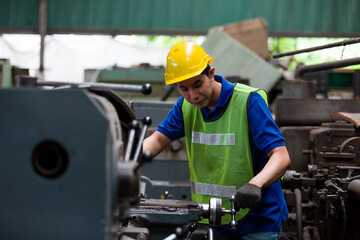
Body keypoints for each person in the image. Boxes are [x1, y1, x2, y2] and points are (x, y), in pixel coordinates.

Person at [143, 41, 291, 239]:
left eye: (197, 85)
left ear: (211, 74)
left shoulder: (249, 102)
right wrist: (126, 162)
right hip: (217, 219)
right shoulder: (185, 107)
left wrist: (255, 184)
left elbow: (281, 156)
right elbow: (158, 140)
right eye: (184, 89)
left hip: (258, 221)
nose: (193, 96)